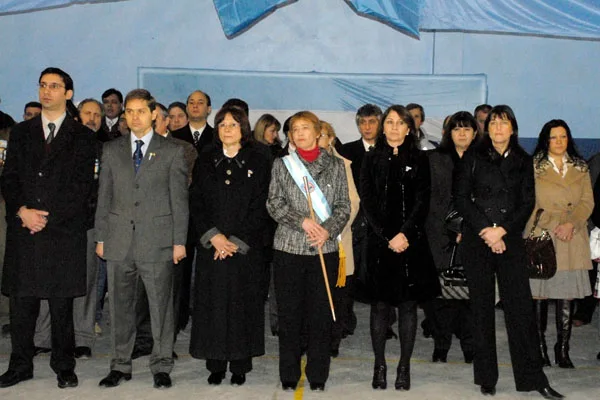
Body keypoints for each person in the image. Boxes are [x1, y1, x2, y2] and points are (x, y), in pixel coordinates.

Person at [453, 104, 563, 399]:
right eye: (492, 124)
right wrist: (487, 231)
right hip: (479, 239)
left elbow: (527, 203)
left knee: (520, 309)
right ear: (485, 129)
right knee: (482, 309)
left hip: (510, 238)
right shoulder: (472, 157)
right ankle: (486, 376)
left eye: (503, 123)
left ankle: (532, 378)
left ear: (513, 128)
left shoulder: (523, 160)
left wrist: (501, 230)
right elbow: (462, 198)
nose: (498, 128)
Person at [0, 67, 97, 389]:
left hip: (61, 232)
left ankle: (63, 365)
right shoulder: (22, 132)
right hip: (24, 230)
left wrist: (47, 217)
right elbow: (9, 178)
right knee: (22, 304)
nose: (47, 91)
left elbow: (83, 188)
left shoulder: (82, 136)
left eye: (54, 86)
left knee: (61, 306)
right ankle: (20, 365)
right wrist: (22, 212)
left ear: (68, 94)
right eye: (43, 85)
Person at [95, 89, 188, 389]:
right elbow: (104, 197)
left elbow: (180, 201)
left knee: (161, 307)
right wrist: (101, 236)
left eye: (140, 111)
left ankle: (161, 365)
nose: (134, 116)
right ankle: (120, 364)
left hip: (158, 242)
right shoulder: (111, 150)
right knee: (120, 308)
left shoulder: (173, 151)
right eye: (129, 111)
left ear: (153, 115)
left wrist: (179, 241)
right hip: (119, 240)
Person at [355, 105, 438, 391]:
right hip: (380, 244)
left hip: (411, 244)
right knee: (379, 307)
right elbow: (367, 201)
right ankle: (379, 365)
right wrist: (389, 235)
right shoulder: (370, 158)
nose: (392, 127)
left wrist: (405, 234)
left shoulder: (420, 158)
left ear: (408, 128)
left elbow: (422, 201)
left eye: (398, 122)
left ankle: (404, 366)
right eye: (388, 122)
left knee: (408, 306)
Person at [267, 111, 350, 391]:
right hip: (288, 248)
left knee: (320, 316)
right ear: (290, 136)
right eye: (294, 130)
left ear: (317, 132)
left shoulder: (336, 166)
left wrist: (326, 229)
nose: (300, 133)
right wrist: (302, 221)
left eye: (305, 128)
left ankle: (318, 375)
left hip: (322, 247)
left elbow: (343, 207)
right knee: (289, 315)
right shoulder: (282, 165)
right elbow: (274, 204)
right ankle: (289, 374)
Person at [188, 105, 270, 386]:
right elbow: (196, 201)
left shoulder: (259, 160)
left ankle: (239, 364)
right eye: (222, 124)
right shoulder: (205, 159)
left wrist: (235, 241)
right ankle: (215, 364)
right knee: (213, 305)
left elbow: (262, 205)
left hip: (243, 250)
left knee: (241, 306)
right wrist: (214, 237)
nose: (227, 129)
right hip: (212, 247)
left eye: (233, 125)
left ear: (243, 129)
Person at [33, 98, 104, 359]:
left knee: (85, 282)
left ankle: (82, 337)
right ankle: (43, 336)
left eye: (97, 114)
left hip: (87, 224)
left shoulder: (103, 149)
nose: (93, 118)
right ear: (77, 115)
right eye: (88, 113)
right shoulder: (59, 146)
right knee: (46, 279)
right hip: (54, 224)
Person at [528, 119, 593, 368]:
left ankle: (562, 349)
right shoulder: (533, 167)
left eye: (563, 137)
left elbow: (587, 202)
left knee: (567, 296)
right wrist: (552, 221)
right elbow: (528, 202)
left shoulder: (580, 167)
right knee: (540, 295)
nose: (559, 141)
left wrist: (572, 223)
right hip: (543, 235)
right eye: (554, 137)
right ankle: (540, 349)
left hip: (572, 236)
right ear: (545, 140)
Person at [425, 111, 478, 364]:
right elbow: (430, 200)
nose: (462, 133)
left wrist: (466, 229)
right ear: (448, 134)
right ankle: (441, 344)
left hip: (475, 235)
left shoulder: (484, 160)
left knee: (470, 295)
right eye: (456, 129)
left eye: (467, 128)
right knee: (441, 296)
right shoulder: (434, 159)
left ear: (475, 133)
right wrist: (450, 229)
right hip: (438, 235)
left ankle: (469, 344)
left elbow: (487, 201)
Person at [318, 121, 359, 357]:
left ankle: (333, 339)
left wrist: (331, 228)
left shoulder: (343, 165)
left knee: (337, 294)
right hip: (310, 241)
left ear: (331, 138)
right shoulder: (298, 166)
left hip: (338, 239)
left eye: (322, 135)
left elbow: (353, 202)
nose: (318, 139)